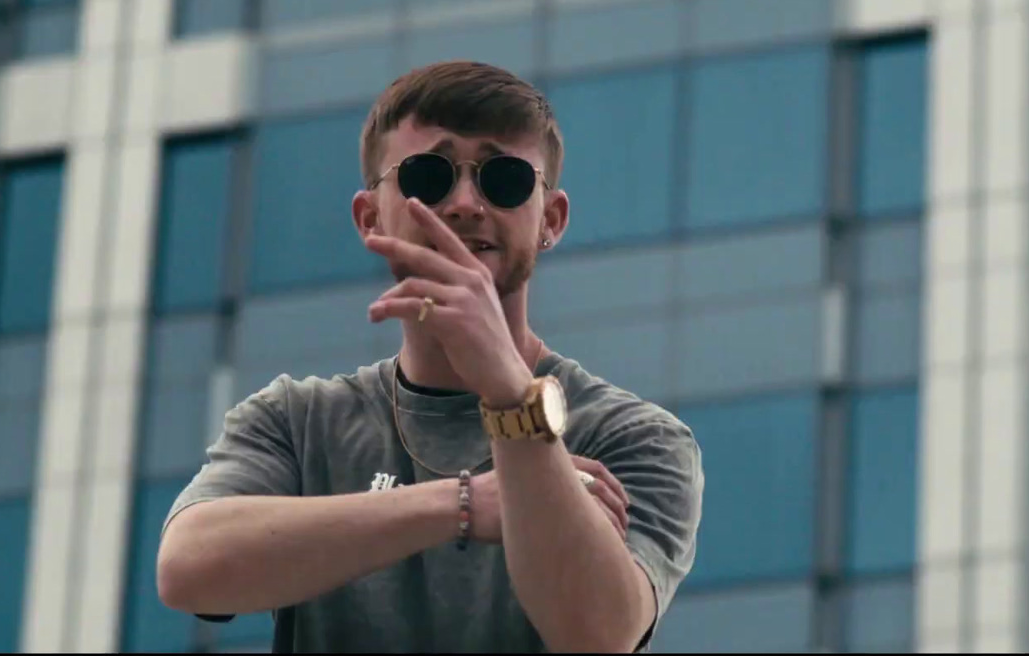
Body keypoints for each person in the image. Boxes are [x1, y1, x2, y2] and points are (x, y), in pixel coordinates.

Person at [155, 60, 705, 653]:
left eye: (505, 179)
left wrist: (508, 391)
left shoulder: (631, 436)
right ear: (370, 217)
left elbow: (598, 634)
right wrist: (462, 503)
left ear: (551, 219)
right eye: (427, 176)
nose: (466, 203)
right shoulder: (299, 421)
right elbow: (190, 567)